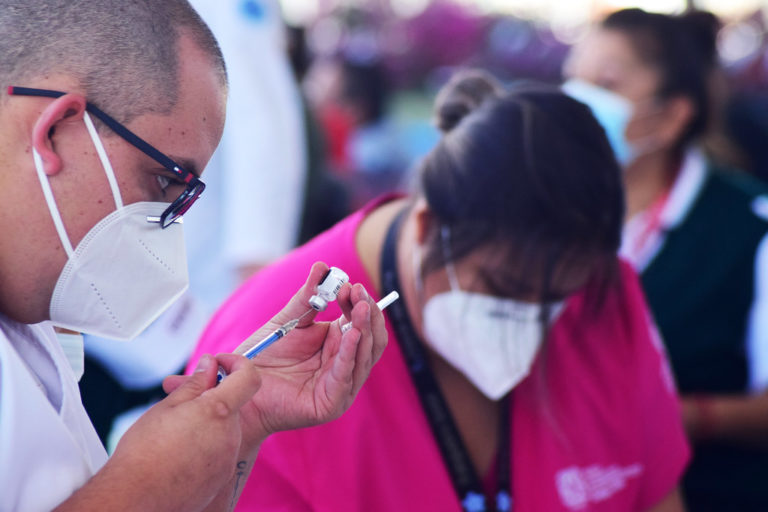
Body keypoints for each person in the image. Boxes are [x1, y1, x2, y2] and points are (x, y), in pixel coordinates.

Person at [189, 70, 689, 511]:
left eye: (557, 297)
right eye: (505, 288)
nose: (533, 320)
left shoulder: (604, 295)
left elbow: (657, 494)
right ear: (428, 228)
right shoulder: (265, 352)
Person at [0, 1, 387, 510]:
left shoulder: (33, 332)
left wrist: (245, 418)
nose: (167, 225)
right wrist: (144, 487)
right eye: (165, 181)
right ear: (55, 130)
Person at [563, 8, 768, 511]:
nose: (575, 102)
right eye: (572, 81)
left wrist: (676, 416)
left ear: (673, 114)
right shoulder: (550, 212)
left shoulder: (750, 227)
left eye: (605, 83)